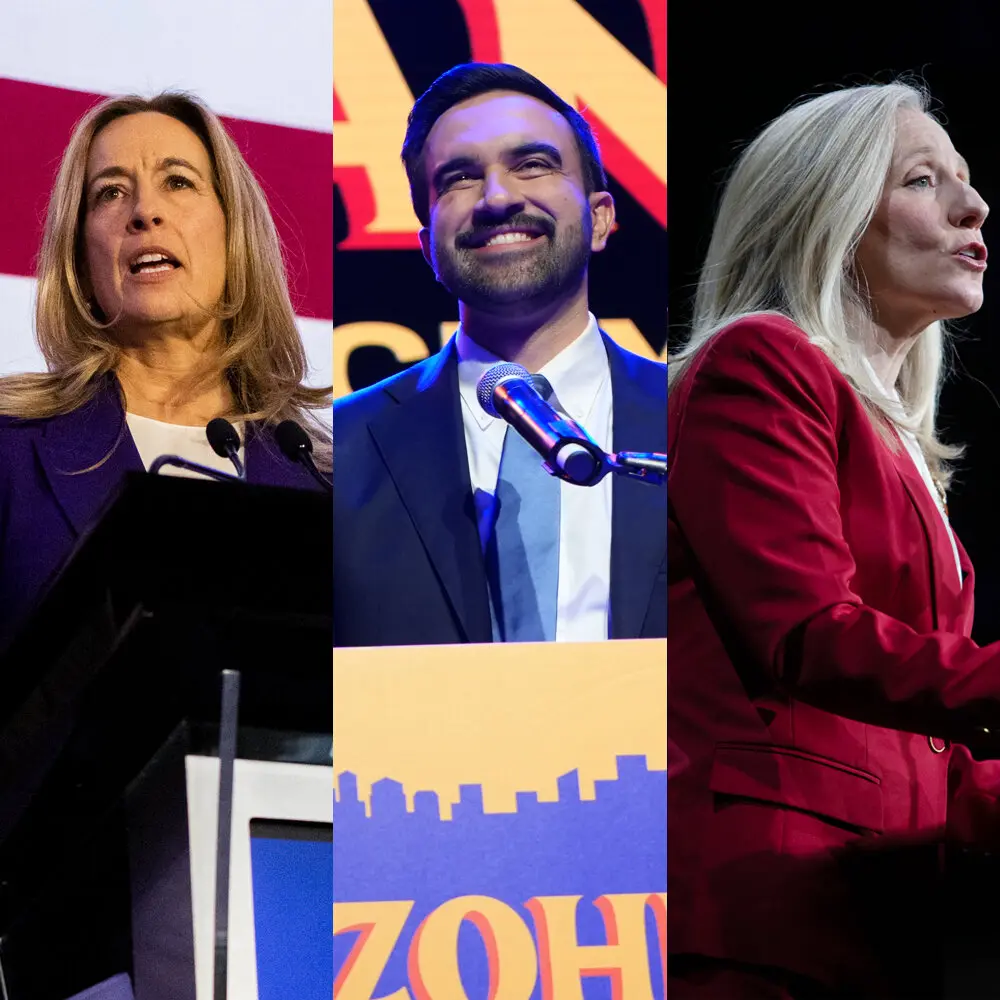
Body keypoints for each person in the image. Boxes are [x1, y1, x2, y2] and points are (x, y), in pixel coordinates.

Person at [667, 80, 1000, 998]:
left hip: (879, 918)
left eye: (965, 181)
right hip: (762, 908)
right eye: (925, 181)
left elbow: (931, 759)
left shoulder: (903, 447)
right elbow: (812, 635)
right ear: (828, 213)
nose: (975, 207)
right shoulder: (759, 364)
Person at [333, 62, 666, 647]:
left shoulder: (689, 415)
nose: (496, 198)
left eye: (532, 164)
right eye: (459, 178)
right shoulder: (342, 447)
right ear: (427, 244)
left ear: (601, 218)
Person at [0, 92, 331, 653]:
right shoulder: (11, 452)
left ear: (234, 231)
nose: (144, 212)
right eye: (110, 192)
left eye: (178, 182)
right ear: (80, 255)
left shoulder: (324, 485)